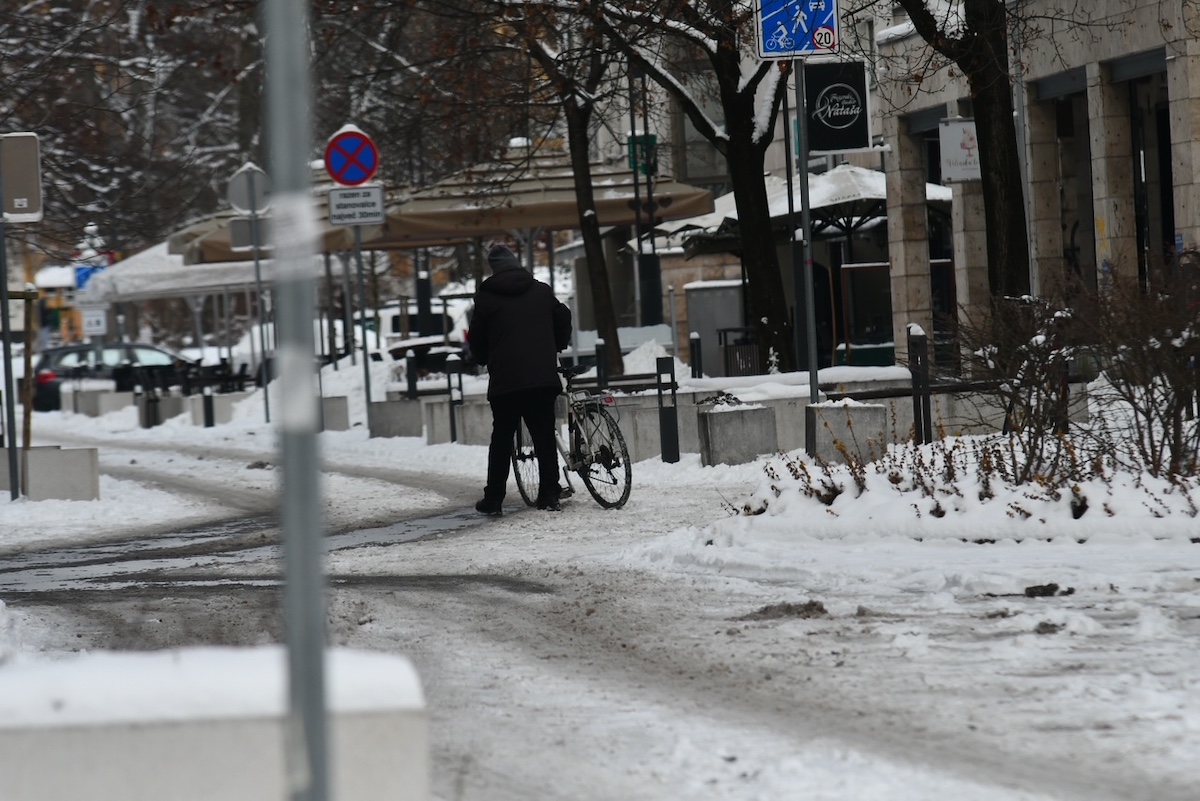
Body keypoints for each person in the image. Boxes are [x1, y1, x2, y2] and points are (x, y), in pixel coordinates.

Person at [468, 243, 572, 515]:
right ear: (516, 264)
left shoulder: (485, 298)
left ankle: (493, 499)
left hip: (506, 382)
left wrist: (482, 357)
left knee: (502, 439)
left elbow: (477, 338)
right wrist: (556, 345)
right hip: (541, 377)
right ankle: (549, 494)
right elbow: (564, 315)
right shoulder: (540, 290)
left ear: (494, 268)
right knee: (544, 435)